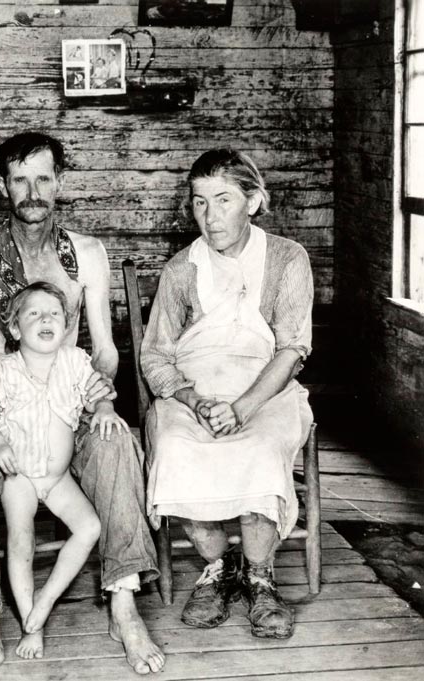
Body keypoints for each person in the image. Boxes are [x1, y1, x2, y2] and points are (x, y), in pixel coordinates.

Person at [0, 132, 165, 679]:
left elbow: (102, 349)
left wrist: (100, 404)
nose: (32, 191)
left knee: (117, 443)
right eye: (20, 180)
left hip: (69, 392)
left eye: (43, 178)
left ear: (60, 182)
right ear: (3, 185)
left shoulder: (86, 253)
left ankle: (123, 604)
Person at [141, 148, 314, 640]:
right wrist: (195, 402)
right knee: (175, 446)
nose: (210, 216)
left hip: (266, 389)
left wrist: (241, 408)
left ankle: (259, 576)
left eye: (223, 200)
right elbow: (155, 356)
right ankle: (217, 569)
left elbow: (293, 349)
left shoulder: (286, 259)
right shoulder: (180, 269)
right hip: (194, 393)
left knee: (260, 447)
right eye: (199, 202)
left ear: (253, 201)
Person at [0, 282, 128, 659]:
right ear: (14, 329)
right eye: (34, 314)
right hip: (21, 478)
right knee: (20, 540)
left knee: (90, 527)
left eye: (55, 314)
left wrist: (105, 410)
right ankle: (32, 625)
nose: (46, 319)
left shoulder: (76, 361)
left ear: (65, 325)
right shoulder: (2, 371)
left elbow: (99, 393)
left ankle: (45, 598)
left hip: (58, 478)